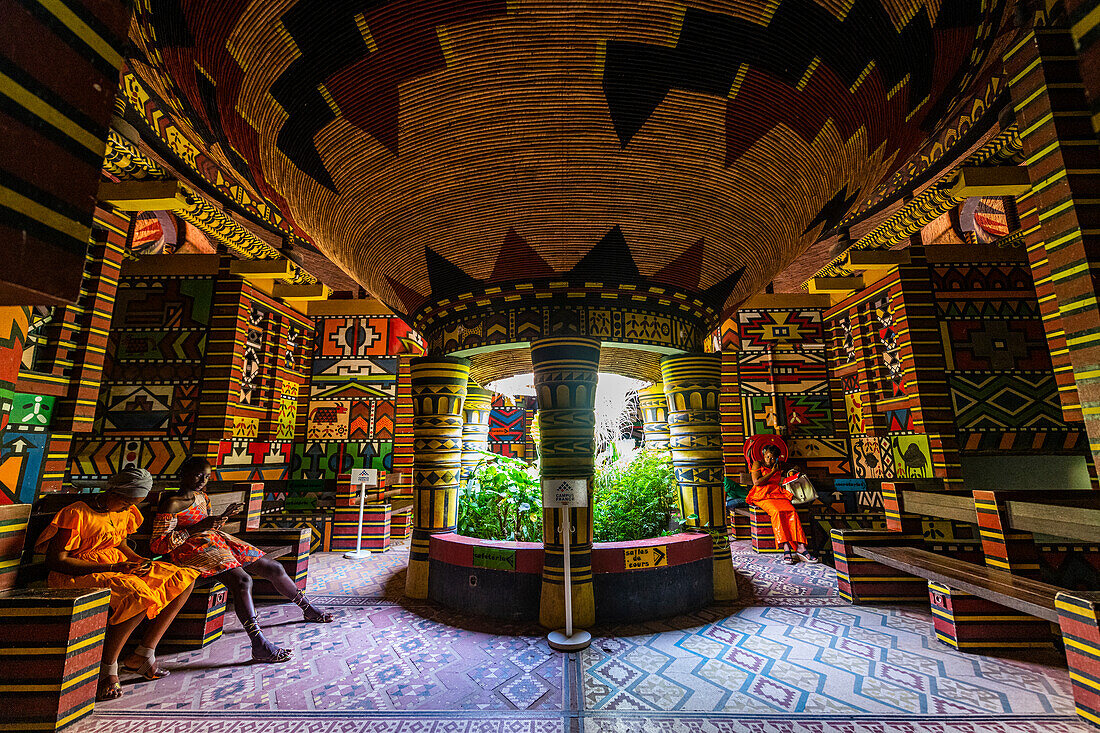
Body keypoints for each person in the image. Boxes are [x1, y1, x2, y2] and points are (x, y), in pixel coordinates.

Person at [37, 467, 199, 701]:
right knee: (137, 595)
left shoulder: (123, 510)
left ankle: (144, 653)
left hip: (115, 565)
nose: (128, 509)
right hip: (78, 572)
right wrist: (113, 568)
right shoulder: (77, 513)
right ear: (113, 493)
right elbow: (57, 560)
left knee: (182, 578)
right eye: (126, 504)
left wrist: (137, 560)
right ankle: (107, 668)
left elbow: (119, 543)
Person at [150, 457, 333, 664]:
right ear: (184, 473)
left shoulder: (203, 497)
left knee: (274, 567)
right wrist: (195, 529)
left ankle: (307, 608)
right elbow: (158, 545)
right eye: (198, 475)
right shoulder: (172, 504)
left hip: (217, 542)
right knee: (243, 581)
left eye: (207, 476)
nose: (203, 480)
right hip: (192, 551)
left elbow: (207, 526)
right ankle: (259, 643)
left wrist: (219, 520)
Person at [748, 445, 819, 565]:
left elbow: (796, 467)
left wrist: (792, 472)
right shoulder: (757, 464)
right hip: (761, 495)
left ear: (776, 458)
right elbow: (757, 482)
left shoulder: (778, 464)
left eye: (772, 458)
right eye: (768, 457)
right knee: (777, 512)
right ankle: (786, 548)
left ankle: (801, 547)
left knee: (791, 511)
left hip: (777, 493)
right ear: (764, 455)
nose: (769, 460)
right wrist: (773, 472)